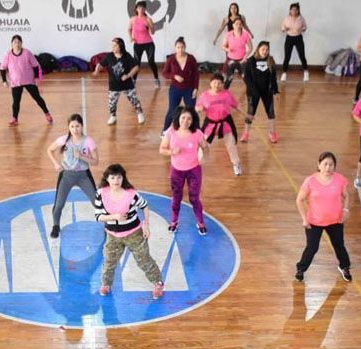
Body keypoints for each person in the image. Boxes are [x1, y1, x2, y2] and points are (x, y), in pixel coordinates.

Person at [94, 164, 164, 299]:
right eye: (113, 177)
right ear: (107, 179)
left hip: (134, 234)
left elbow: (145, 206)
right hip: (112, 235)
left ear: (123, 178)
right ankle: (106, 284)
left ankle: (158, 283)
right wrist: (115, 217)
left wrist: (146, 225)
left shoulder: (131, 195)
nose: (116, 181)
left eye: (119, 177)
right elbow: (98, 216)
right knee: (109, 261)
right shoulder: (101, 194)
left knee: (144, 260)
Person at [295, 151, 351, 283]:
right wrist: (304, 218)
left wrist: (346, 210)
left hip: (335, 221)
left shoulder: (339, 179)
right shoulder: (310, 181)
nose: (328, 167)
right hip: (314, 222)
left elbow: (346, 195)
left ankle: (345, 267)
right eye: (325, 164)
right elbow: (299, 200)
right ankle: (301, 269)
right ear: (318, 165)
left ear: (335, 166)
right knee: (312, 247)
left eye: (331, 164)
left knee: (339, 245)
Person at [46, 114, 99, 238]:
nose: (75, 129)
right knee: (59, 204)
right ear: (68, 127)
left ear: (82, 126)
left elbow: (96, 162)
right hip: (66, 175)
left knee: (97, 202)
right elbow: (50, 150)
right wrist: (56, 163)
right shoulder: (64, 140)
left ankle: (108, 225)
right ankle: (56, 225)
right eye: (72, 126)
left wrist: (81, 156)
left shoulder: (88, 141)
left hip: (84, 175)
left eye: (78, 126)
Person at [160, 106, 209, 234]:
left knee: (194, 198)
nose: (186, 121)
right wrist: (172, 151)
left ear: (193, 120)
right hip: (176, 171)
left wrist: (205, 157)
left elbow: (205, 147)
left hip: (194, 170)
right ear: (178, 118)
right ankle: (174, 222)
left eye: (189, 118)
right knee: (176, 197)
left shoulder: (197, 133)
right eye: (183, 118)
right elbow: (162, 149)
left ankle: (200, 222)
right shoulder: (171, 132)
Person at [196, 73, 252, 176]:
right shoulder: (204, 95)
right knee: (203, 145)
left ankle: (236, 164)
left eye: (219, 83)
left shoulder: (227, 94)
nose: (217, 85)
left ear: (222, 84)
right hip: (210, 125)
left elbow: (236, 105)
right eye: (214, 82)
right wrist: (199, 109)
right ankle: (196, 165)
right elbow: (198, 107)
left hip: (225, 124)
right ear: (210, 83)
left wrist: (246, 114)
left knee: (231, 145)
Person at [0, 35, 52, 126]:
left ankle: (47, 113)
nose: (17, 44)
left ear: (21, 43)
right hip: (15, 82)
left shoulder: (27, 53)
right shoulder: (8, 54)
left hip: (29, 81)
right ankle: (14, 118)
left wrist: (37, 78)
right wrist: (4, 80)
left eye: (19, 42)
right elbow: (2, 68)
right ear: (11, 44)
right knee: (16, 102)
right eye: (15, 42)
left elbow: (36, 66)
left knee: (38, 98)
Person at [93, 38, 145, 126]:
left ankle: (140, 114)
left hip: (127, 84)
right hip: (114, 85)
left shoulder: (127, 56)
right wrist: (97, 70)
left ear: (120, 46)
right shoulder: (109, 56)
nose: (113, 47)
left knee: (134, 100)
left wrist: (128, 75)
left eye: (115, 45)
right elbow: (100, 64)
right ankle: (113, 116)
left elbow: (136, 67)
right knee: (112, 103)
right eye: (112, 45)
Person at [241, 40, 279, 143]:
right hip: (253, 92)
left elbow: (274, 78)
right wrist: (254, 91)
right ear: (258, 49)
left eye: (267, 50)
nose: (265, 51)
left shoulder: (270, 61)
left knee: (271, 112)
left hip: (267, 92)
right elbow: (246, 79)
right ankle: (246, 133)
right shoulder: (250, 61)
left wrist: (275, 92)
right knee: (250, 112)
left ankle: (272, 133)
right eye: (263, 49)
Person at [161, 37, 199, 132]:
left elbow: (196, 74)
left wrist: (195, 88)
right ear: (175, 48)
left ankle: (196, 132)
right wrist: (174, 76)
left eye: (182, 47)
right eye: (178, 47)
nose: (180, 49)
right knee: (172, 111)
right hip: (175, 89)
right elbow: (164, 73)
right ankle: (165, 131)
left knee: (191, 111)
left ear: (185, 47)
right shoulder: (171, 59)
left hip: (189, 89)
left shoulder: (191, 58)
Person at [128, 1, 159, 88]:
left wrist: (151, 26)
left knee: (151, 62)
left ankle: (156, 79)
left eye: (142, 8)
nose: (141, 9)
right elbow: (129, 29)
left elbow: (152, 32)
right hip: (137, 44)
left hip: (149, 44)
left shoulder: (148, 19)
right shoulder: (133, 19)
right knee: (136, 63)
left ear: (145, 9)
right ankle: (133, 81)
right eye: (139, 8)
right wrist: (131, 37)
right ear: (136, 9)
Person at [280, 2, 309, 82]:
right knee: (287, 57)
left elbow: (305, 27)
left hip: (298, 38)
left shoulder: (301, 18)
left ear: (298, 11)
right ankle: (284, 74)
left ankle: (306, 72)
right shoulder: (286, 19)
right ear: (290, 10)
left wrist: (302, 29)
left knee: (302, 56)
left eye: (296, 10)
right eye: (293, 9)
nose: (294, 11)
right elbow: (282, 28)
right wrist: (285, 29)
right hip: (289, 38)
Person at [221, 18, 252, 89]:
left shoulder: (245, 35)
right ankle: (224, 92)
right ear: (233, 25)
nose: (238, 25)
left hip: (242, 60)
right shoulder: (228, 34)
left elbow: (250, 48)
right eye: (236, 24)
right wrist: (227, 49)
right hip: (231, 59)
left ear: (242, 25)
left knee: (245, 77)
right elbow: (223, 46)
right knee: (229, 78)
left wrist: (245, 57)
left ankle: (251, 92)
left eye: (240, 24)